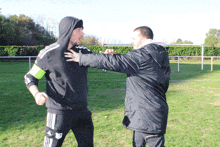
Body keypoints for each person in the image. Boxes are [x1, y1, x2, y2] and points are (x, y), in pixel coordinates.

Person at [64, 26, 171, 147]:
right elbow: (127, 63)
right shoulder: (158, 54)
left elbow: (119, 62)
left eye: (134, 38)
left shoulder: (142, 56)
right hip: (153, 113)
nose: (131, 41)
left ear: (143, 38)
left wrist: (82, 58)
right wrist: (111, 56)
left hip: (147, 116)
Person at [24, 16, 97, 147]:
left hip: (82, 111)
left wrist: (107, 54)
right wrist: (36, 94)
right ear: (69, 30)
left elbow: (98, 58)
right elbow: (30, 77)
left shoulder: (83, 52)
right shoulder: (49, 54)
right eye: (79, 29)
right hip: (59, 113)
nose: (82, 34)